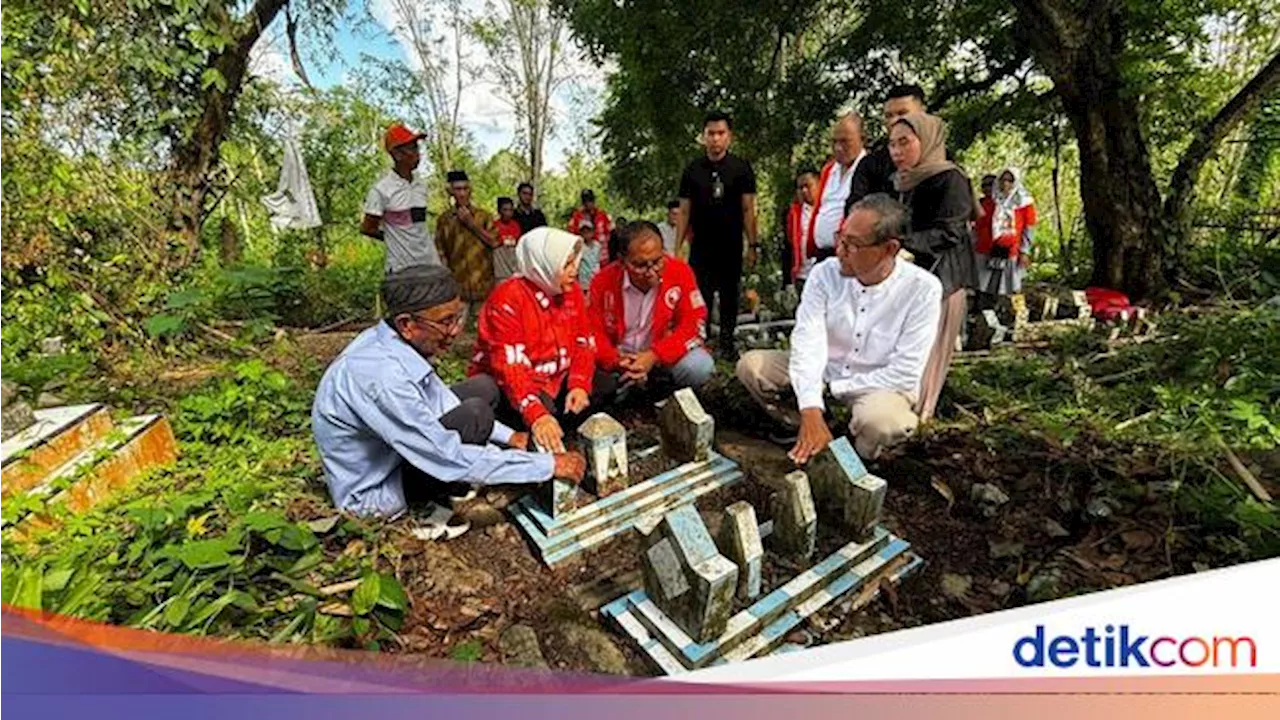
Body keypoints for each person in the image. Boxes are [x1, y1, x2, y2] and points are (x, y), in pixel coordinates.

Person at [311, 265, 586, 519]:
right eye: (445, 322)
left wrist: (511, 437)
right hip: (376, 490)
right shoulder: (382, 379)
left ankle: (485, 469)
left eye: (458, 317)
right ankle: (449, 494)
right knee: (475, 414)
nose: (455, 331)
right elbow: (445, 456)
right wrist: (546, 466)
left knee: (482, 388)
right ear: (407, 324)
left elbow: (440, 400)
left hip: (392, 453)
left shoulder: (390, 341)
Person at [736, 195, 941, 461]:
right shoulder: (825, 274)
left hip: (878, 387)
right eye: (840, 238)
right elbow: (808, 341)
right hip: (826, 370)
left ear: (889, 249)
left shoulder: (922, 289)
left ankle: (860, 458)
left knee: (882, 422)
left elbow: (904, 372)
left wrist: (833, 389)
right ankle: (807, 429)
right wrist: (810, 407)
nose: (840, 251)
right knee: (752, 367)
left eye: (852, 244)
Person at [469, 227, 614, 453]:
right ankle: (522, 438)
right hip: (517, 383)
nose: (574, 270)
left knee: (604, 385)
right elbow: (510, 366)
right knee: (539, 411)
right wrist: (536, 413)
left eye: (575, 261)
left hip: (556, 376)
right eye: (566, 264)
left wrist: (579, 383)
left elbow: (583, 342)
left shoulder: (571, 291)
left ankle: (560, 431)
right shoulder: (508, 299)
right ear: (542, 265)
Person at [888, 112, 979, 423]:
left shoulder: (950, 179)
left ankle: (918, 420)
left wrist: (903, 244)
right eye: (892, 144)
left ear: (926, 142)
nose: (897, 151)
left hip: (944, 280)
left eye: (905, 143)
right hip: (914, 279)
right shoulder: (907, 180)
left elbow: (950, 233)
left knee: (930, 353)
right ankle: (898, 416)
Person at [588, 221, 714, 396]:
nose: (651, 271)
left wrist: (655, 355)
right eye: (640, 265)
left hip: (662, 355)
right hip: (620, 358)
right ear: (622, 261)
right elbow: (593, 331)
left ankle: (661, 389)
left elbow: (693, 324)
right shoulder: (602, 282)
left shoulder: (680, 272)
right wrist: (616, 360)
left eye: (657, 261)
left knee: (699, 366)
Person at [677, 110, 759, 362]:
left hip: (731, 244)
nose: (715, 139)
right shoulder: (692, 170)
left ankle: (727, 342)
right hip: (701, 244)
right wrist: (677, 247)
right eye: (710, 133)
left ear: (729, 137)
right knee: (699, 296)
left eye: (720, 133)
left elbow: (749, 208)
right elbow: (684, 210)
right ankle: (700, 342)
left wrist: (753, 244)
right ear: (703, 137)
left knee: (729, 295)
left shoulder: (741, 168)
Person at [360, 123, 442, 274]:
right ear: (397, 154)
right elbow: (367, 228)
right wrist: (394, 238)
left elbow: (419, 227)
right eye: (412, 148)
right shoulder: (382, 190)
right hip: (401, 270)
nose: (418, 154)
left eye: (417, 148)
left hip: (429, 264)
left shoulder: (420, 186)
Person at [846, 84, 928, 214]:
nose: (894, 121)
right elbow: (854, 209)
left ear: (923, 114)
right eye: (889, 116)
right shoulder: (870, 165)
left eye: (902, 113)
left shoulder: (942, 161)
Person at [807, 113, 869, 262]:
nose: (838, 148)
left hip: (850, 254)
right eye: (834, 142)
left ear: (862, 139)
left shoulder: (869, 170)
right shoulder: (829, 170)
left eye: (845, 142)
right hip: (822, 253)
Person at [435, 170, 498, 302]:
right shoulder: (444, 220)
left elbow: (494, 242)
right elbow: (440, 252)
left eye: (465, 189)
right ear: (451, 191)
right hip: (458, 289)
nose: (462, 193)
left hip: (484, 287)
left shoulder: (484, 216)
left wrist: (472, 224)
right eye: (458, 189)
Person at [980, 167, 1037, 296]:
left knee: (1010, 288)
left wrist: (1025, 251)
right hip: (990, 250)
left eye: (1010, 180)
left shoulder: (1024, 203)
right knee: (987, 287)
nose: (1006, 183)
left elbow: (1029, 227)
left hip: (1013, 250)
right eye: (1003, 180)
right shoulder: (992, 200)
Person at [784, 169, 820, 290]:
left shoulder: (827, 211)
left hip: (823, 272)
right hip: (802, 275)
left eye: (808, 186)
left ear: (819, 185)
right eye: (800, 188)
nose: (804, 191)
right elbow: (788, 244)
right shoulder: (794, 214)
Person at [493, 197, 523, 282]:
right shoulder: (494, 226)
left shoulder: (515, 225)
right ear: (499, 211)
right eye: (505, 210)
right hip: (501, 268)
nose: (508, 213)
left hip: (513, 265)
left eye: (510, 210)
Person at [577, 215, 603, 289]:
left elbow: (600, 261)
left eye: (588, 231)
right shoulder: (579, 246)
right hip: (584, 282)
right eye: (584, 231)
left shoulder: (597, 245)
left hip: (596, 278)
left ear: (593, 232)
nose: (586, 233)